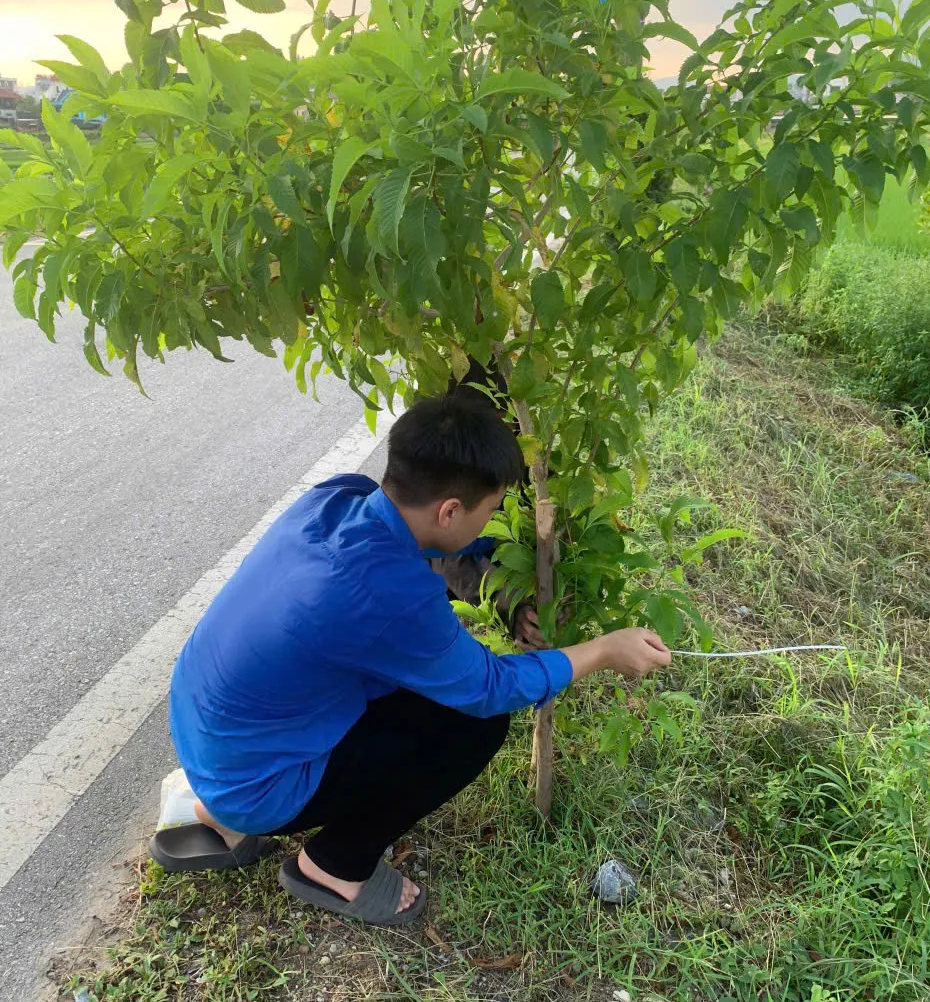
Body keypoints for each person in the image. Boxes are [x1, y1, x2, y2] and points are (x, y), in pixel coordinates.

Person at [150, 393, 672, 926]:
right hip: (256, 781)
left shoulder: (337, 499)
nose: (491, 524)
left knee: (401, 685)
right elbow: (490, 686)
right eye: (490, 511)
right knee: (477, 724)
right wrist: (605, 649)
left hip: (208, 736)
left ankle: (219, 812)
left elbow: (430, 556)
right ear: (449, 510)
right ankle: (333, 864)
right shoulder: (388, 596)